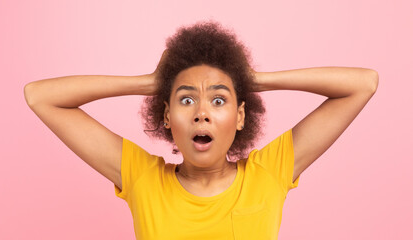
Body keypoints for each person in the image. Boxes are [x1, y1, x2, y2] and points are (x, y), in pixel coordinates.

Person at [24, 20, 379, 240]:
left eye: (220, 101)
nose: (203, 113)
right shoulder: (142, 177)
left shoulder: (268, 173)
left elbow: (363, 83)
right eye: (187, 100)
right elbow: (40, 96)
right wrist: (149, 82)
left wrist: (251, 80)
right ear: (166, 116)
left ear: (241, 117)